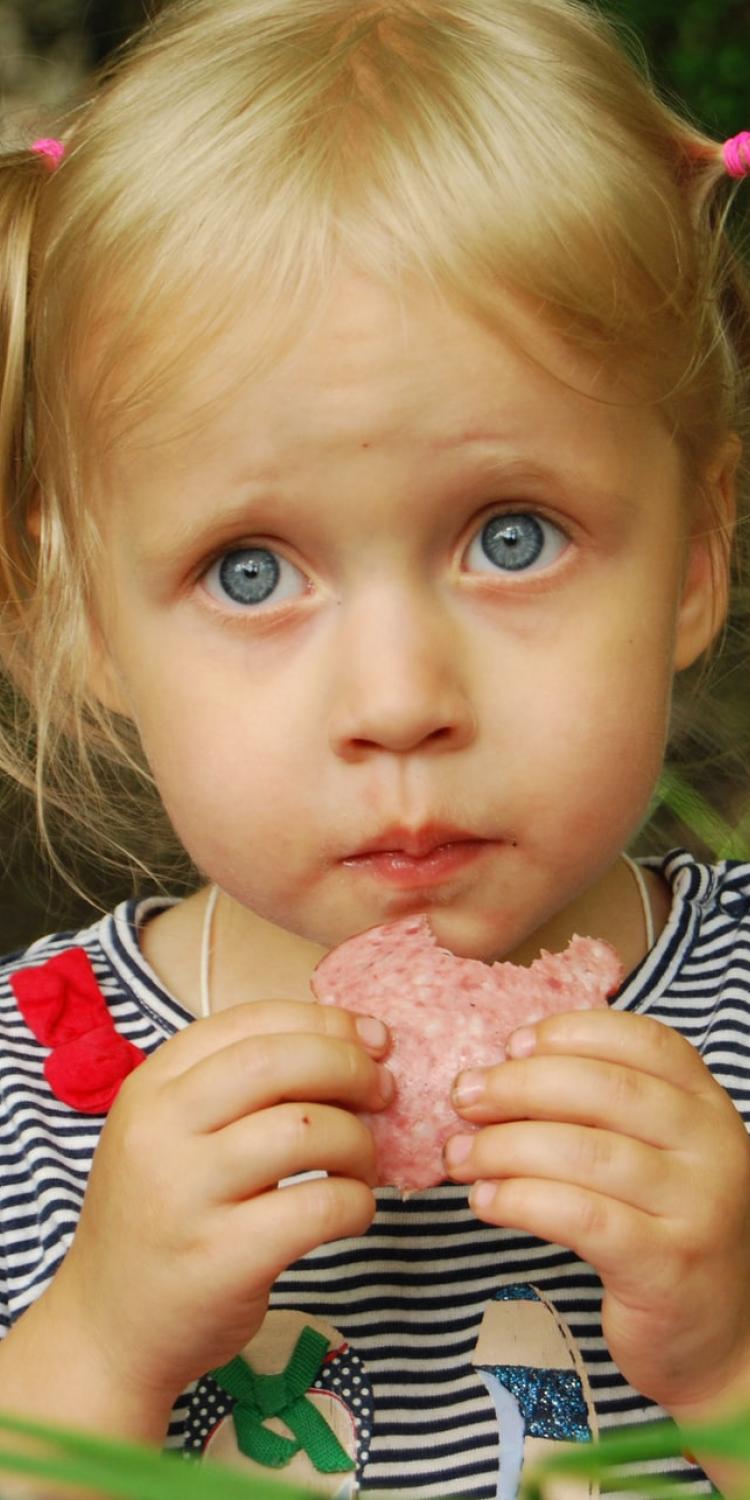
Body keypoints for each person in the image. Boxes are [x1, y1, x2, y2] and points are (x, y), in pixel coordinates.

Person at [0, 1, 748, 1495]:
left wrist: (731, 1356)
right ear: (79, 618)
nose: (398, 696)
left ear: (690, 556)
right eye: (252, 571)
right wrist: (98, 1350)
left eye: (511, 536)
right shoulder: (28, 1094)